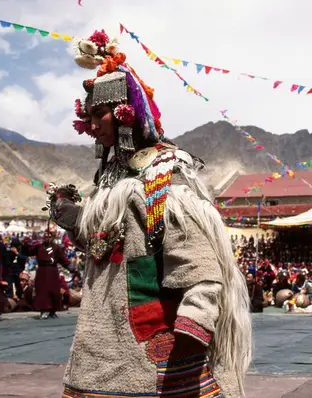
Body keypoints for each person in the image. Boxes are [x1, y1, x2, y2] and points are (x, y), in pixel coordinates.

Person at [47, 30, 251, 397]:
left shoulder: (163, 169)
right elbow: (105, 244)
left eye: (99, 113)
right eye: (87, 114)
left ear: (126, 112)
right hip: (99, 339)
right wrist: (75, 218)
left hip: (148, 343)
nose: (92, 125)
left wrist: (197, 316)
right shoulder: (109, 177)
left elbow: (195, 254)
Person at [22, 230, 72, 319]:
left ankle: (53, 311)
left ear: (52, 238)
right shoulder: (38, 247)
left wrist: (71, 268)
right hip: (42, 271)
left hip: (52, 271)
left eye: (49, 236)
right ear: (43, 237)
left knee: (54, 291)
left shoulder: (56, 248)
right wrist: (25, 244)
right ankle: (43, 311)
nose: (47, 238)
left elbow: (63, 259)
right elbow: (28, 251)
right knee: (42, 292)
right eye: (45, 236)